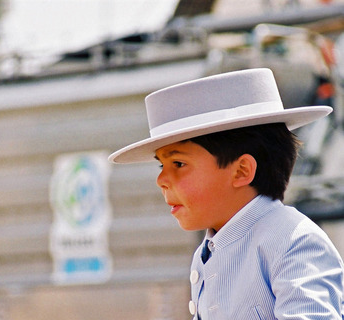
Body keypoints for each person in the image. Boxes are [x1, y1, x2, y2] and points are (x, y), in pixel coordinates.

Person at [108, 68, 344, 319]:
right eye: (161, 165)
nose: (161, 180)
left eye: (178, 164)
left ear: (242, 171)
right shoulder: (207, 253)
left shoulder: (293, 241)